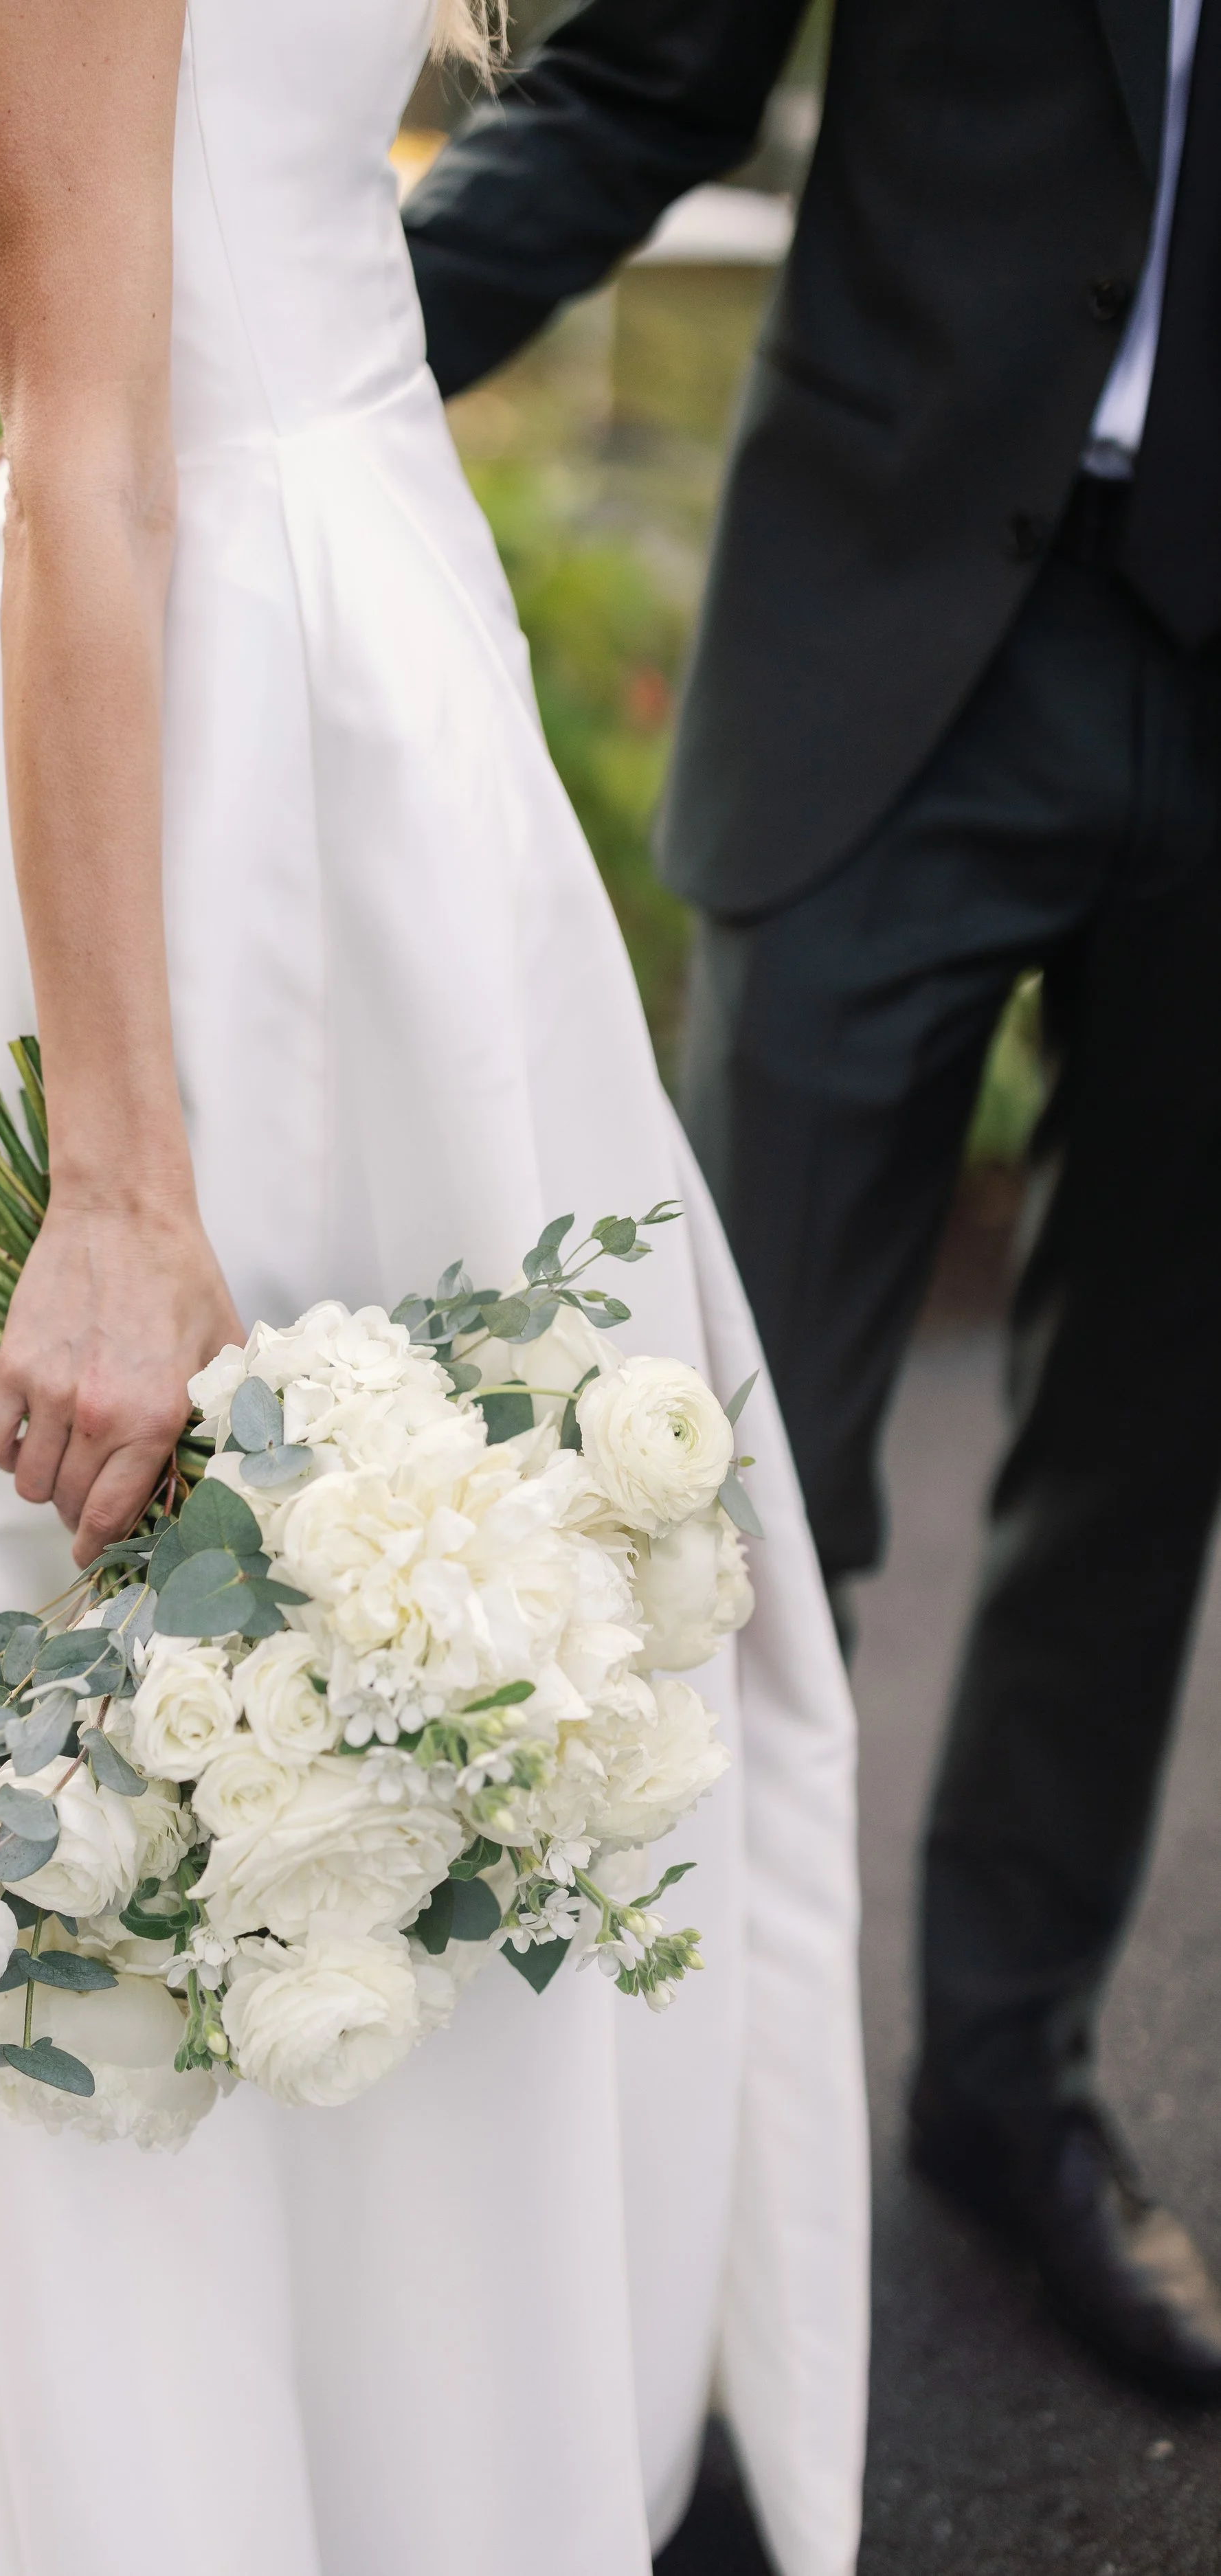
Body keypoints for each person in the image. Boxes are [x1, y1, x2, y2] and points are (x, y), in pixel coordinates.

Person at [0, 3, 868, 2571]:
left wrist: (48, 238)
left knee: (423, 1622)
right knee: (208, 1619)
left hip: (329, 659)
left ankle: (408, 2405)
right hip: (257, 722)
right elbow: (88, 458)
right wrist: (120, 1186)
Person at [404, 0, 1221, 2402]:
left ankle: (1006, 2095)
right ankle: (641, 2167)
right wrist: (271, 404)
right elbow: (645, 79)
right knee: (713, 1470)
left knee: (1142, 1456)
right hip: (886, 647)